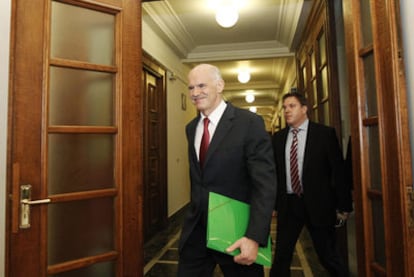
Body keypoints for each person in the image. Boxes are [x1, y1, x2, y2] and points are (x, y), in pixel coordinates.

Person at [177, 63, 277, 276]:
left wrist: (255, 236)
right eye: (191, 87)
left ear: (220, 85)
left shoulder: (249, 123)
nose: (195, 93)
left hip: (237, 232)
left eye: (202, 86)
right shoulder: (191, 128)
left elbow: (265, 184)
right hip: (196, 233)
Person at [269, 92, 353, 277]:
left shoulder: (324, 134)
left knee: (327, 256)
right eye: (284, 107)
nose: (287, 111)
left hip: (318, 204)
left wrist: (344, 205)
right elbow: (275, 174)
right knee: (281, 257)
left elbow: (338, 172)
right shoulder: (279, 138)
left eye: (292, 106)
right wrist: (274, 204)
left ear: (304, 109)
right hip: (289, 205)